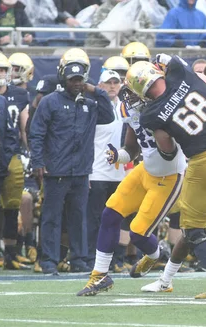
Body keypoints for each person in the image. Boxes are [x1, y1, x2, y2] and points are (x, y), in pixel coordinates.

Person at [127, 55, 206, 299]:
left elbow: (168, 152)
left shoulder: (151, 114)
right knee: (195, 220)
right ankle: (166, 279)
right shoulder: (180, 73)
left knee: (191, 227)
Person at [77, 44, 187, 296]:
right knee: (110, 214)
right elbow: (132, 147)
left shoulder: (166, 105)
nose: (131, 95)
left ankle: (158, 253)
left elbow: (170, 150)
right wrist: (120, 155)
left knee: (138, 233)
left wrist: (162, 129)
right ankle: (99, 276)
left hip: (169, 176)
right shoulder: (129, 106)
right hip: (145, 169)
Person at [29, 58, 115, 275]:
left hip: (81, 170)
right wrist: (38, 161)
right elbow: (36, 133)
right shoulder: (50, 102)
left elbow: (108, 115)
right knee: (52, 217)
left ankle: (79, 259)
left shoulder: (89, 102)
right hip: (56, 170)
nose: (76, 83)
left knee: (79, 217)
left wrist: (96, 90)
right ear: (63, 79)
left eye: (79, 80)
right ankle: (49, 260)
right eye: (72, 79)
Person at [85, 70, 126, 269]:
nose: (112, 86)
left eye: (115, 82)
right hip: (98, 171)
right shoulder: (94, 107)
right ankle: (94, 259)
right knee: (95, 218)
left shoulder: (126, 108)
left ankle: (115, 259)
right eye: (107, 83)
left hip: (119, 173)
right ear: (99, 86)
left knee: (116, 218)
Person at [0, 53, 31, 271]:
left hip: (11, 154)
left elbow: (21, 129)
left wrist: (30, 152)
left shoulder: (19, 94)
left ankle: (11, 252)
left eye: (2, 70)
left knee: (11, 205)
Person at [86, 0, 154, 48]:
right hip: (107, 52)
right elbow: (98, 32)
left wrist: (147, 48)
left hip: (139, 52)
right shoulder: (103, 10)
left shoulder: (138, 10)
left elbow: (150, 31)